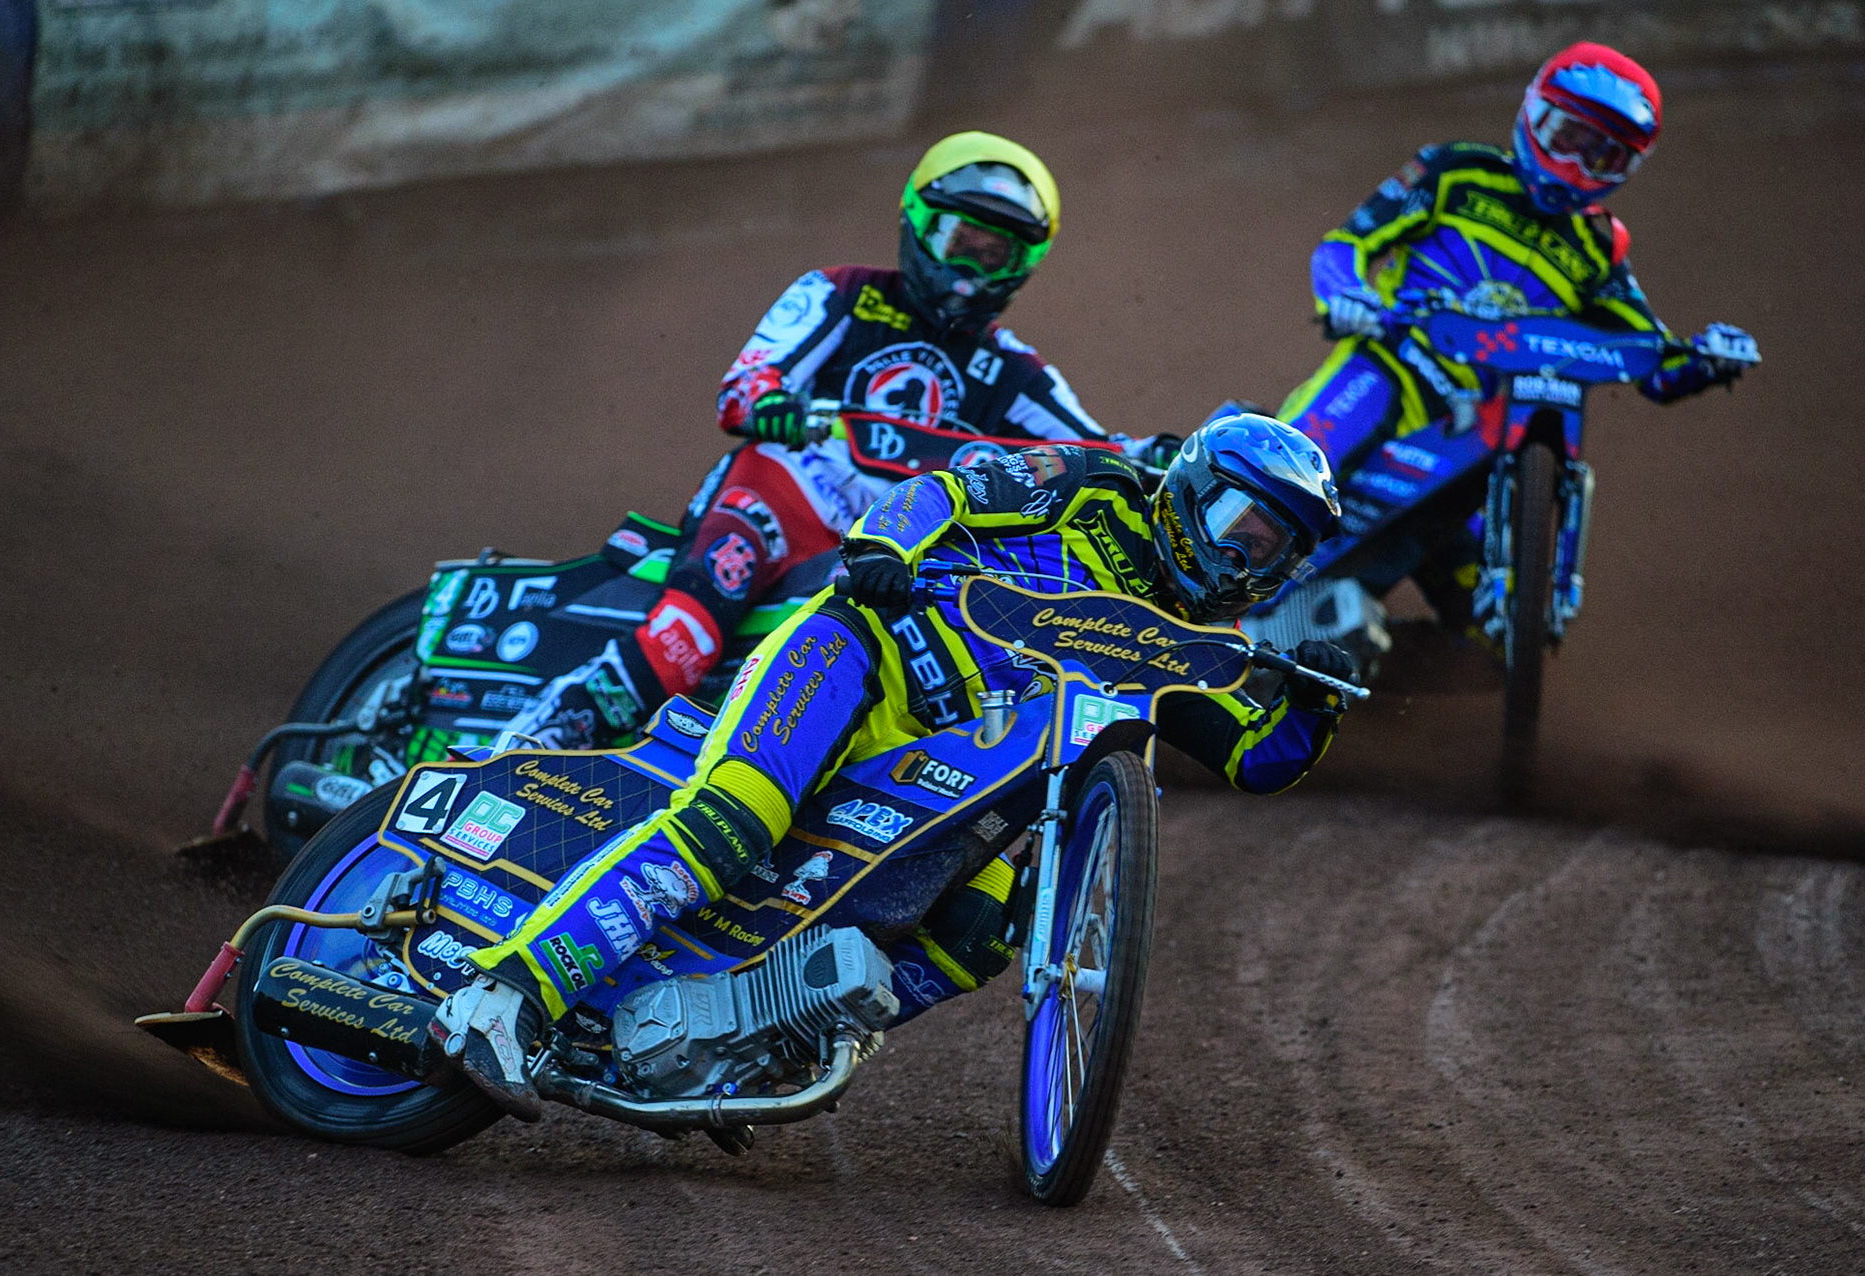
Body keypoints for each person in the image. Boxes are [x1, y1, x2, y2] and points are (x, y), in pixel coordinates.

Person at [432, 413, 1358, 1120]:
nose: (1246, 557)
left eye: (1275, 549)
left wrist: (1318, 702)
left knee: (974, 934)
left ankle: (753, 1044)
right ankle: (503, 997)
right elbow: (947, 489)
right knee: (730, 823)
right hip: (862, 662)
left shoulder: (1206, 641)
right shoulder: (1092, 483)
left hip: (970, 773)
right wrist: (881, 550)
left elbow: (1256, 757)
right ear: (1192, 487)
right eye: (1243, 523)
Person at [508, 131, 1180, 751]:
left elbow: (1093, 452)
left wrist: (1162, 456)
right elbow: (747, 378)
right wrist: (769, 402)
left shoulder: (1013, 370)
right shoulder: (841, 294)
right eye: (957, 238)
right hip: (776, 498)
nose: (968, 265)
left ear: (1022, 263)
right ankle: (522, 744)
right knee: (686, 637)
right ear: (917, 221)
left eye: (991, 250)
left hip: (883, 544)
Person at [1276, 41, 1760, 630]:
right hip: (1393, 369)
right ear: (1533, 114)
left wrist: (1708, 359)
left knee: (1493, 620)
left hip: (1485, 430)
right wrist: (1348, 296)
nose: (1574, 168)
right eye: (1567, 138)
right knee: (1290, 471)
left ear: (1628, 168)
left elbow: (1651, 360)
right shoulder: (1453, 172)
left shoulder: (1602, 248)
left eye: (1601, 156)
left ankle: (1367, 650)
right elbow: (1345, 245)